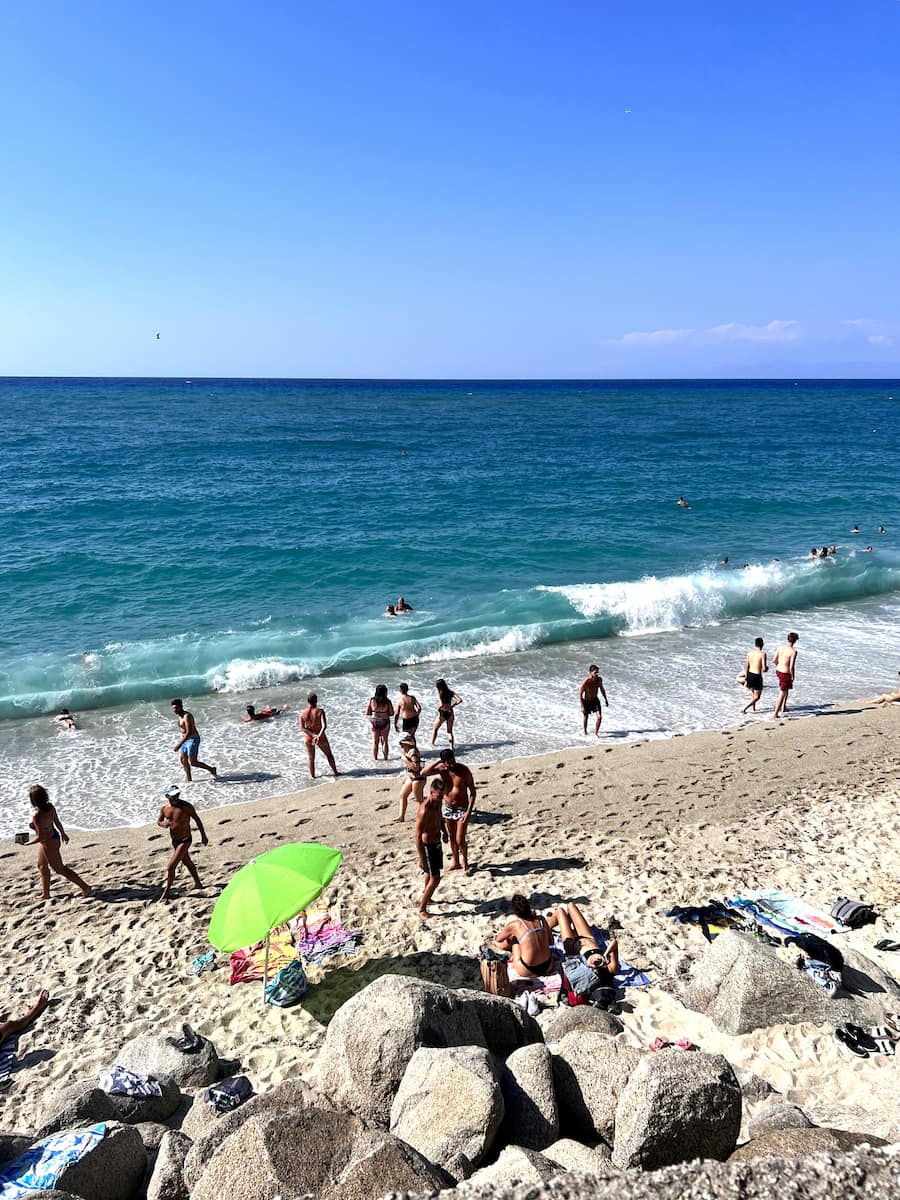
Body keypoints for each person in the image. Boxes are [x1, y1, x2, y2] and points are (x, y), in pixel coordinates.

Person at [27, 785, 91, 901]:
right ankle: (46, 894)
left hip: (48, 842)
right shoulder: (50, 807)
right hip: (54, 837)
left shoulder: (37, 815)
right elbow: (56, 822)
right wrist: (63, 834)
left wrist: (27, 844)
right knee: (42, 866)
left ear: (33, 800)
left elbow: (40, 836)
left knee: (60, 869)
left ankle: (85, 887)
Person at [421, 748, 477, 874]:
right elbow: (423, 773)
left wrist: (468, 812)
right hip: (447, 808)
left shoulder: (463, 770)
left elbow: (473, 792)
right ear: (444, 762)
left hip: (462, 808)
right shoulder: (442, 769)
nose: (452, 764)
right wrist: (438, 762)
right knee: (451, 837)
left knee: (460, 839)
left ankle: (465, 862)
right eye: (449, 762)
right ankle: (456, 862)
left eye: (453, 760)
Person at [157, 785, 209, 901]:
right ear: (167, 796)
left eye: (177, 794)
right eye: (173, 796)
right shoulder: (164, 808)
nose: (176, 797)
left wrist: (203, 835)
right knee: (187, 862)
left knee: (171, 867)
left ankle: (166, 892)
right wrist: (163, 824)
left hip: (185, 840)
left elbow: (197, 820)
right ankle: (198, 883)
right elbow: (159, 821)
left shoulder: (186, 807)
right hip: (175, 841)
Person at [547, 901, 620, 981]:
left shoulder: (590, 972)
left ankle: (544, 930)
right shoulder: (611, 969)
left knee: (560, 911)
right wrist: (605, 954)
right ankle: (566, 921)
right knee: (571, 905)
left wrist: (588, 965)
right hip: (588, 937)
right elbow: (614, 943)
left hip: (572, 945)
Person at [494, 894, 555, 979]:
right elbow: (551, 942)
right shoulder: (541, 920)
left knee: (514, 939)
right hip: (548, 966)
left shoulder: (516, 924)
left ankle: (503, 947)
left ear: (515, 911)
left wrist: (497, 941)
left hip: (527, 970)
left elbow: (499, 939)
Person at [415, 777, 444, 919]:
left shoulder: (438, 803)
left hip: (437, 843)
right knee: (436, 878)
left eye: (442, 797)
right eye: (438, 797)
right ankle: (422, 909)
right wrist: (421, 858)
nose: (440, 800)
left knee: (429, 873)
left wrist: (444, 831)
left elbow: (440, 817)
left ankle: (428, 898)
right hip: (428, 846)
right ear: (431, 793)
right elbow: (417, 835)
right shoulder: (424, 810)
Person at [170, 699, 217, 782]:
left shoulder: (187, 716)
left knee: (193, 762)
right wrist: (182, 741)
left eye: (176, 708)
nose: (175, 710)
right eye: (173, 708)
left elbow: (189, 732)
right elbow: (183, 731)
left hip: (193, 739)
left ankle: (211, 769)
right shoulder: (180, 717)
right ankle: (189, 779)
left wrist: (179, 744)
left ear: (181, 706)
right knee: (183, 760)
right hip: (186, 741)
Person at [299, 693, 339, 778]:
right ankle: (336, 772)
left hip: (308, 738)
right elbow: (324, 726)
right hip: (321, 737)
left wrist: (312, 735)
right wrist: (318, 736)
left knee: (311, 758)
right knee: (329, 755)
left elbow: (302, 728)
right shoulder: (320, 711)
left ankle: (312, 776)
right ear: (316, 701)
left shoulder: (302, 713)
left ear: (308, 701)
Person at [397, 732, 424, 822]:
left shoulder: (413, 751)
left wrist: (404, 759)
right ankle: (401, 816)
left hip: (418, 778)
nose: (400, 745)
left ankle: (424, 816)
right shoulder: (407, 751)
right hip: (411, 777)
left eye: (401, 743)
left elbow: (416, 767)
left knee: (419, 800)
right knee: (403, 795)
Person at [773, 632, 799, 719]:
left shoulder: (780, 647)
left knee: (786, 689)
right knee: (782, 692)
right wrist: (793, 676)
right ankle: (775, 713)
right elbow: (791, 666)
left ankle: (783, 707)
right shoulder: (793, 652)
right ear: (795, 641)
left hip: (778, 671)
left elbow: (774, 660)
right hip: (785, 673)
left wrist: (779, 666)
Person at [365, 684, 394, 760]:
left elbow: (367, 713)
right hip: (385, 721)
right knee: (385, 741)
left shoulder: (372, 700)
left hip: (374, 721)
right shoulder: (387, 701)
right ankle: (385, 759)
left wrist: (375, 711)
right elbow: (391, 713)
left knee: (375, 742)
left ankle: (375, 759)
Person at [431, 678, 462, 748]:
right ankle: (451, 747)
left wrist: (438, 709)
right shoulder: (450, 692)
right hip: (450, 712)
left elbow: (441, 704)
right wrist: (452, 706)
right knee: (449, 731)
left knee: (435, 729)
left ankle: (432, 744)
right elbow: (460, 700)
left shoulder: (439, 694)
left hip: (443, 713)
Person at [579, 665, 609, 735]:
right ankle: (585, 732)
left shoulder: (599, 680)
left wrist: (606, 699)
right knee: (586, 717)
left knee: (599, 717)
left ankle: (596, 733)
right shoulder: (586, 681)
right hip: (586, 701)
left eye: (598, 672)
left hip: (595, 700)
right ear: (591, 672)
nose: (597, 674)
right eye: (595, 672)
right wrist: (582, 706)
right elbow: (580, 694)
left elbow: (602, 689)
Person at [741, 637, 768, 714]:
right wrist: (767, 668)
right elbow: (764, 669)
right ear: (762, 644)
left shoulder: (749, 653)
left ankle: (753, 709)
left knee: (753, 693)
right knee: (757, 697)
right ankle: (744, 708)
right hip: (757, 676)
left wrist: (746, 677)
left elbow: (747, 665)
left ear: (755, 644)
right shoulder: (763, 654)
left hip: (749, 674)